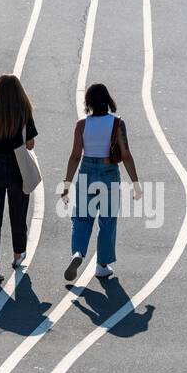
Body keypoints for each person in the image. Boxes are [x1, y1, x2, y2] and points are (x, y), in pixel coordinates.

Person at [60, 83, 142, 281]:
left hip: (87, 172)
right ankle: (102, 265)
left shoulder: (81, 125)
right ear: (108, 101)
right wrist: (135, 183)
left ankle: (78, 252)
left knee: (82, 218)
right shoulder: (117, 124)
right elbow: (126, 155)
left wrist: (66, 185)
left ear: (88, 102)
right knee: (107, 221)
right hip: (108, 174)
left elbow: (74, 156)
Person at [0, 74, 37, 284]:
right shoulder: (23, 111)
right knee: (18, 215)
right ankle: (18, 255)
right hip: (17, 168)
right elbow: (29, 144)